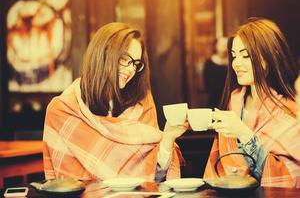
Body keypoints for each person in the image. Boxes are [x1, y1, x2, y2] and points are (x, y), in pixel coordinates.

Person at [43, 22, 188, 195]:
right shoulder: (63, 111)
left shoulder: (142, 104)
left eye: (135, 63)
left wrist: (167, 139)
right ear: (102, 54)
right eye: (125, 59)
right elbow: (63, 185)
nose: (131, 69)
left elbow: (156, 179)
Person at [204, 18, 300, 188]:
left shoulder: (289, 111)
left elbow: (289, 179)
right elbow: (219, 168)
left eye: (245, 55)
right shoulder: (234, 103)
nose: (236, 63)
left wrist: (244, 134)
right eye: (233, 56)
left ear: (269, 57)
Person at [203, 37, 228, 108]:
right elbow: (207, 85)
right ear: (216, 46)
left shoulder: (232, 62)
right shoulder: (209, 63)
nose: (224, 47)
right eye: (222, 45)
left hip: (229, 98)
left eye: (226, 45)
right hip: (214, 100)